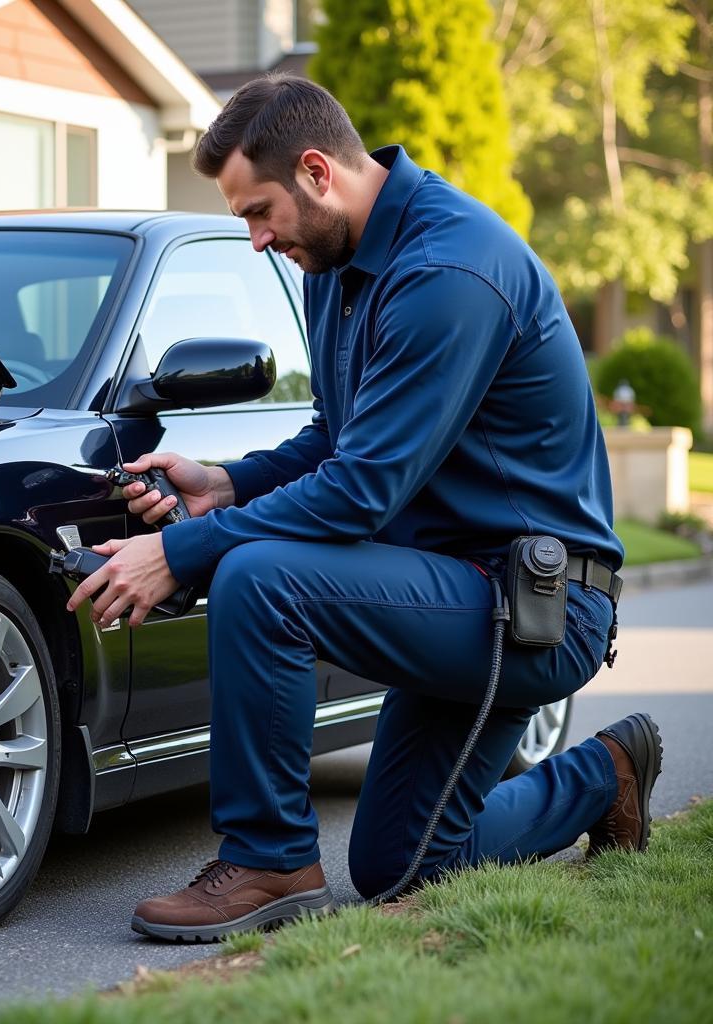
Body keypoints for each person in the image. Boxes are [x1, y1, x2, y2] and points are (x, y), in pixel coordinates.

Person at [66, 75, 663, 942]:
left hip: (534, 607)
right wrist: (227, 482)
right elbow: (340, 439)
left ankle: (269, 860)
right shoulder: (337, 264)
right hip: (455, 592)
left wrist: (182, 553)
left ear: (317, 171)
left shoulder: (448, 271)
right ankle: (604, 775)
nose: (258, 239)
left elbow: (362, 490)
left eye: (258, 212)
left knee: (261, 579)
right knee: (405, 866)